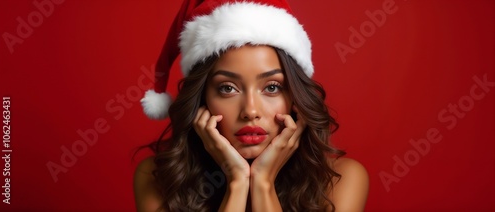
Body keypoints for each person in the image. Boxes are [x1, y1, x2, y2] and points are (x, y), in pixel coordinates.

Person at [134, 0, 369, 211]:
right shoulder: (156, 178)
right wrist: (237, 182)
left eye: (272, 87)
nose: (251, 111)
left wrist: (262, 183)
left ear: (295, 98)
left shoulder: (342, 180)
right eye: (227, 88)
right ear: (203, 99)